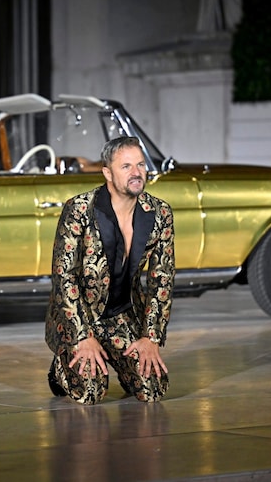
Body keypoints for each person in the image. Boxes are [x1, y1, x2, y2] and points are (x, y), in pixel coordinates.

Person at [44, 136, 175, 404]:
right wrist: (81, 337)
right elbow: (63, 277)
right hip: (80, 314)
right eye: (126, 166)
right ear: (107, 173)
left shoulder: (160, 213)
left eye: (140, 165)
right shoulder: (79, 209)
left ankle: (119, 364)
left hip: (122, 314)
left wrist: (151, 337)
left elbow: (162, 279)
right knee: (91, 392)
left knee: (153, 390)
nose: (136, 173)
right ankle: (60, 370)